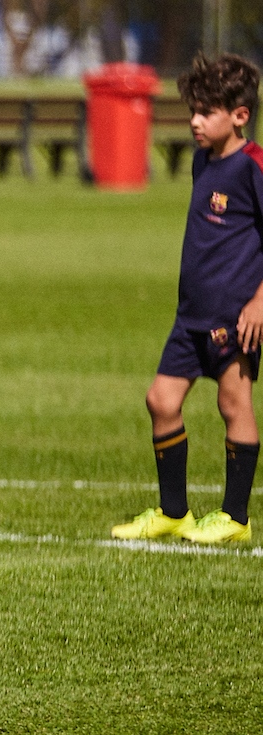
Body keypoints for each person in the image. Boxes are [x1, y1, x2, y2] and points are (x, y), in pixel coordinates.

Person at [112, 53, 263, 545]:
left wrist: (259, 302)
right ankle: (174, 511)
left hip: (235, 315)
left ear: (239, 115)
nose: (194, 121)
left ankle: (235, 518)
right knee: (161, 399)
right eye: (192, 110)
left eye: (206, 112)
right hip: (191, 315)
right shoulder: (202, 161)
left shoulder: (253, 166)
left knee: (233, 401)